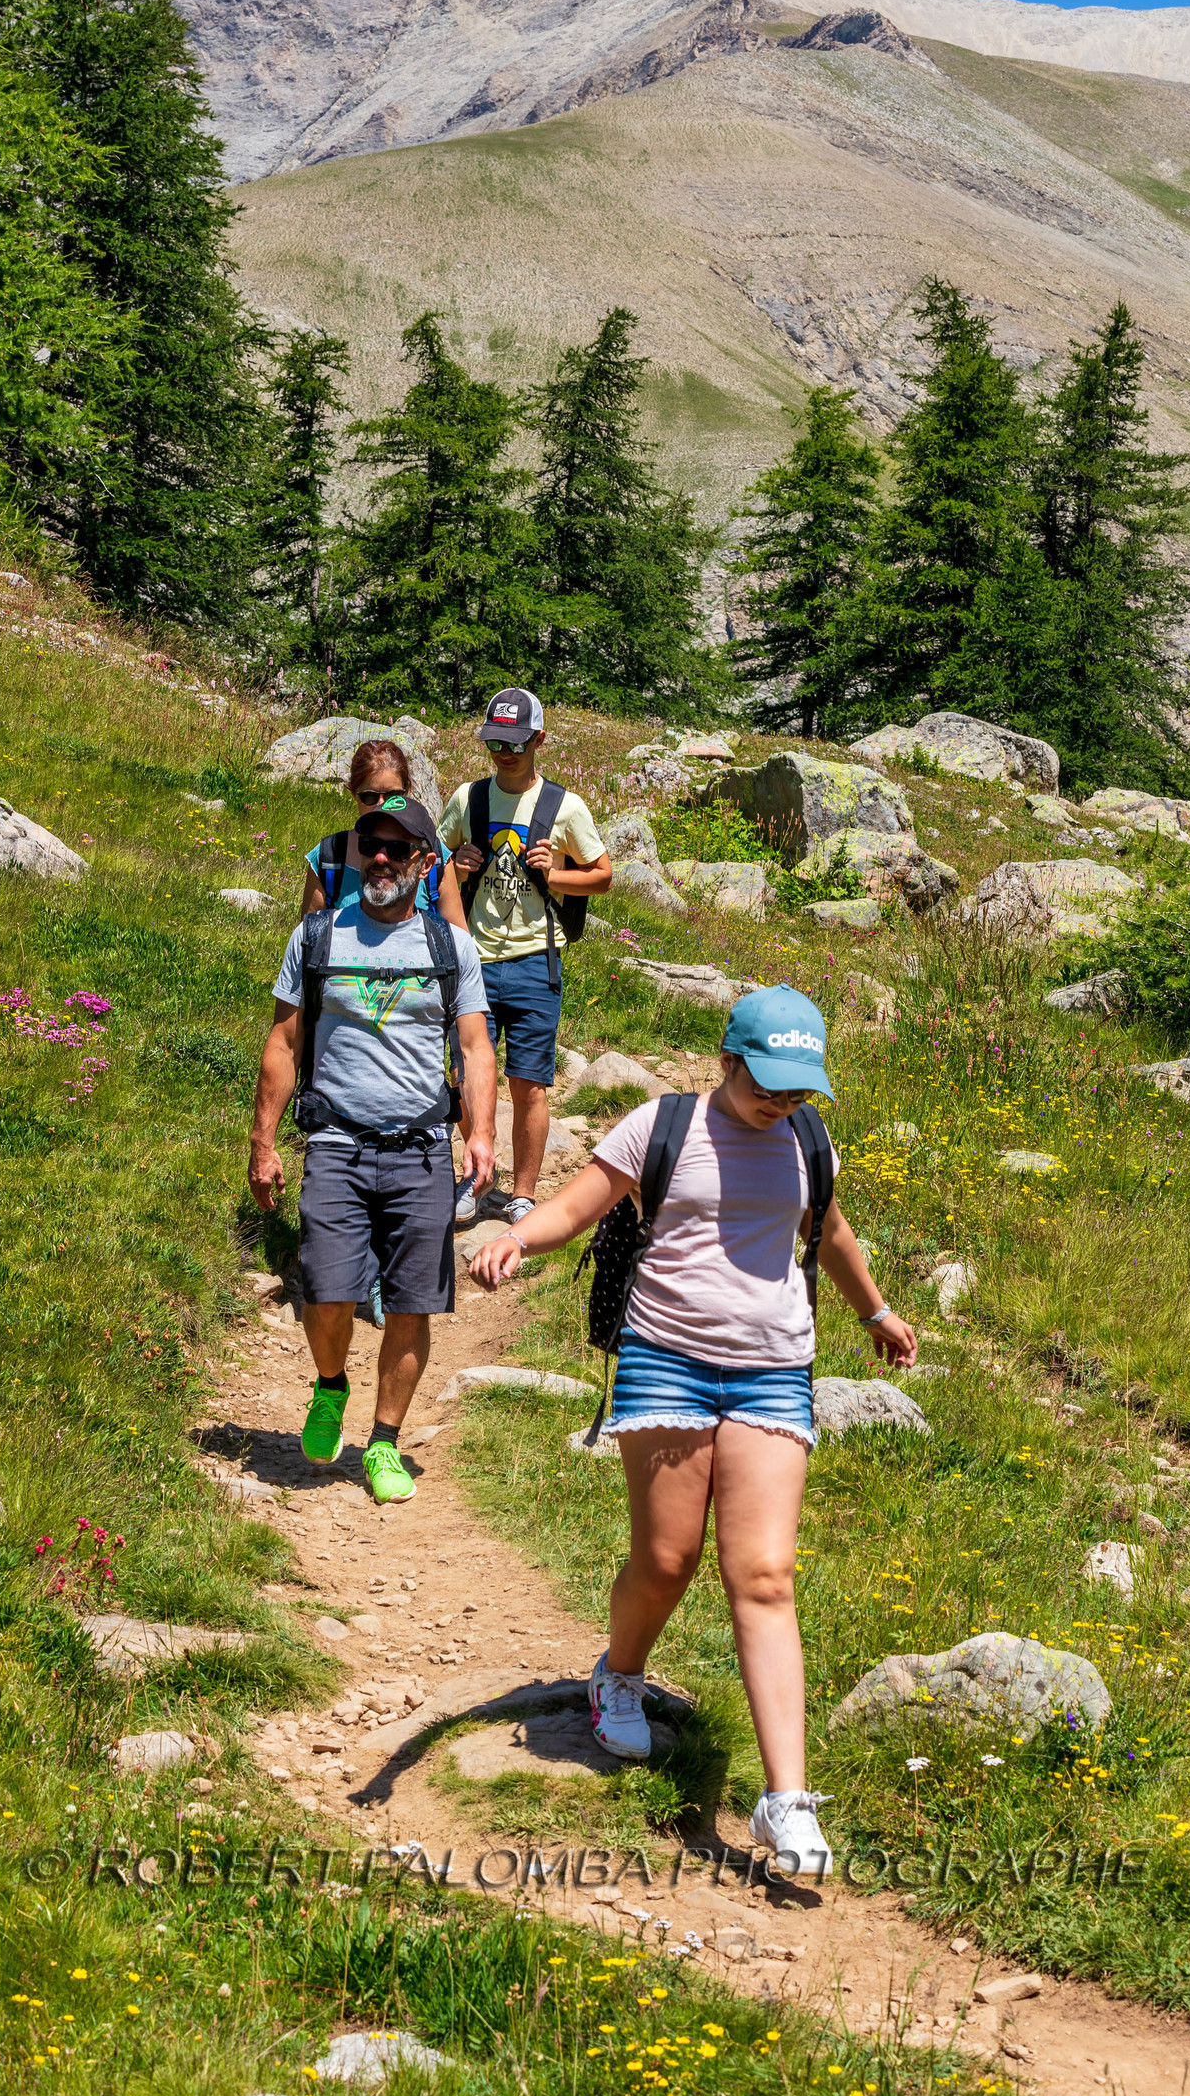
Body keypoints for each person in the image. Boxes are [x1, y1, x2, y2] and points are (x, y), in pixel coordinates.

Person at [469, 984, 917, 1875]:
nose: (782, 1101)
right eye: (768, 1082)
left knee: (763, 1571)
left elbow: (827, 1230)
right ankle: (619, 1675)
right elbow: (580, 1203)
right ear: (728, 1058)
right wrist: (521, 1236)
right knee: (668, 1558)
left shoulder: (807, 1140)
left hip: (774, 1369)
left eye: (799, 1088)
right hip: (665, 1361)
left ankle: (785, 1799)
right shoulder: (662, 1124)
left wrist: (875, 1310)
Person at [250, 797, 497, 1505]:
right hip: (335, 1142)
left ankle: (384, 1442)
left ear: (426, 863)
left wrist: (479, 1132)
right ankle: (331, 1384)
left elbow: (477, 1048)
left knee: (414, 1304)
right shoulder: (318, 937)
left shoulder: (451, 948)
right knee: (328, 1291)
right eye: (370, 847)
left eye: (397, 848)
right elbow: (283, 1041)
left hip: (420, 1149)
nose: (380, 859)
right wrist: (263, 1141)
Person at [438, 689, 611, 1229]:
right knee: (468, 1073)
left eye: (514, 743)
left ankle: (524, 1194)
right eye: (494, 742)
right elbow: (431, 863)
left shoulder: (566, 807)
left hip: (539, 958)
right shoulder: (469, 800)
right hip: (474, 959)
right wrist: (456, 865)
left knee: (529, 1082)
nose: (503, 753)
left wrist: (553, 875)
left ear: (539, 739)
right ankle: (475, 1179)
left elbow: (602, 874)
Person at [300, 737, 468, 928]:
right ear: (354, 794)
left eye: (392, 796)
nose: (382, 805)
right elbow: (309, 941)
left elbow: (458, 942)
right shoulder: (329, 857)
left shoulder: (434, 855)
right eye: (370, 797)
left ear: (406, 792)